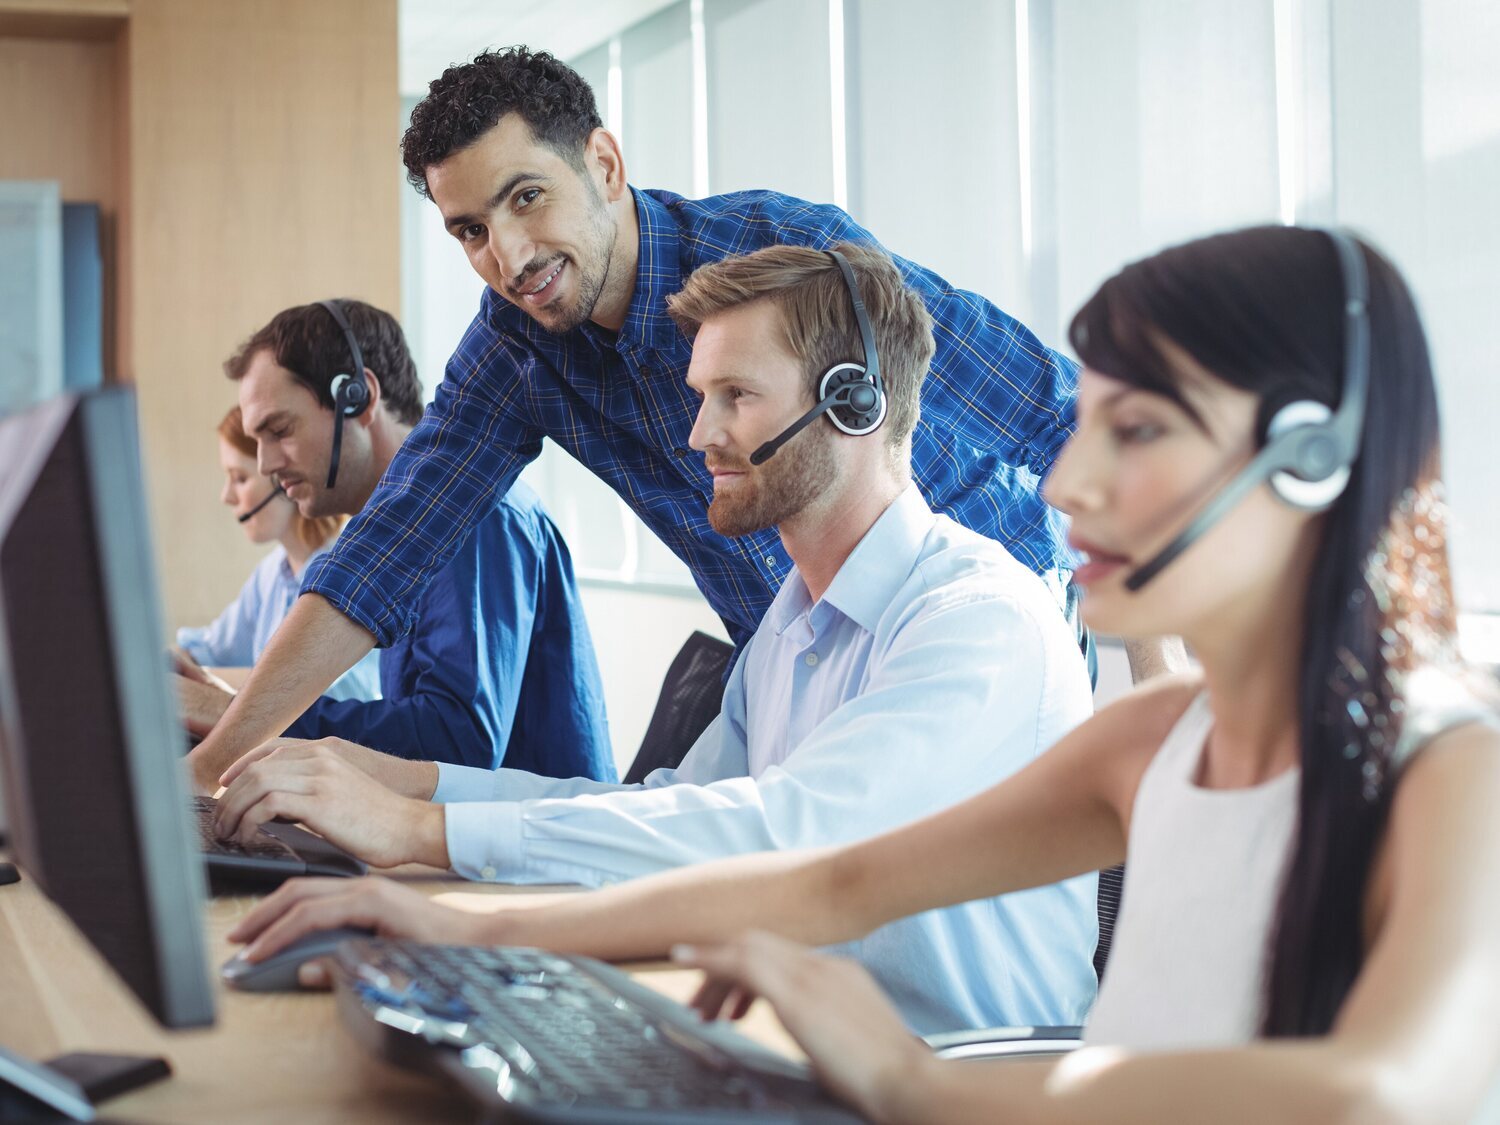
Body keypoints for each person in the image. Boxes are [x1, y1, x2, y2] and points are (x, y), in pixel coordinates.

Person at [229, 228, 1500, 1121]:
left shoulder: (1453, 769)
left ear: (1315, 459)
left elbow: (1377, 1093)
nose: (1064, 483)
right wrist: (431, 913)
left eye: (1142, 429)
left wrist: (917, 1086)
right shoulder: (1157, 732)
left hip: (953, 1076)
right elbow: (821, 877)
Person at [185, 46, 1184, 788]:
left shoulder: (784, 256)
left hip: (963, 628)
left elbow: (1053, 410)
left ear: (606, 167)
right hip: (786, 651)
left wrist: (1154, 665)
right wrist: (215, 769)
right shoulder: (516, 346)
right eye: (472, 232)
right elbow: (387, 553)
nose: (508, 256)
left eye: (528, 199)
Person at [213, 243, 1100, 1035]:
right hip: (805, 1051)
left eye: (736, 397)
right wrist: (411, 786)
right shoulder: (791, 621)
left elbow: (788, 836)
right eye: (701, 396)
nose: (696, 434)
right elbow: (670, 804)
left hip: (954, 1077)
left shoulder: (979, 621)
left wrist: (426, 833)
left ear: (854, 403)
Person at [176, 299, 614, 783]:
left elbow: (458, 742)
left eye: (279, 430)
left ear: (359, 400)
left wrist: (239, 719)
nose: (265, 464)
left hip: (525, 847)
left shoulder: (471, 511)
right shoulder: (381, 541)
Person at [172, 405, 382, 703]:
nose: (227, 496)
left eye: (240, 478)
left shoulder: (346, 568)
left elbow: (298, 688)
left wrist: (189, 686)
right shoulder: (271, 573)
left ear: (282, 481)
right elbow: (209, 649)